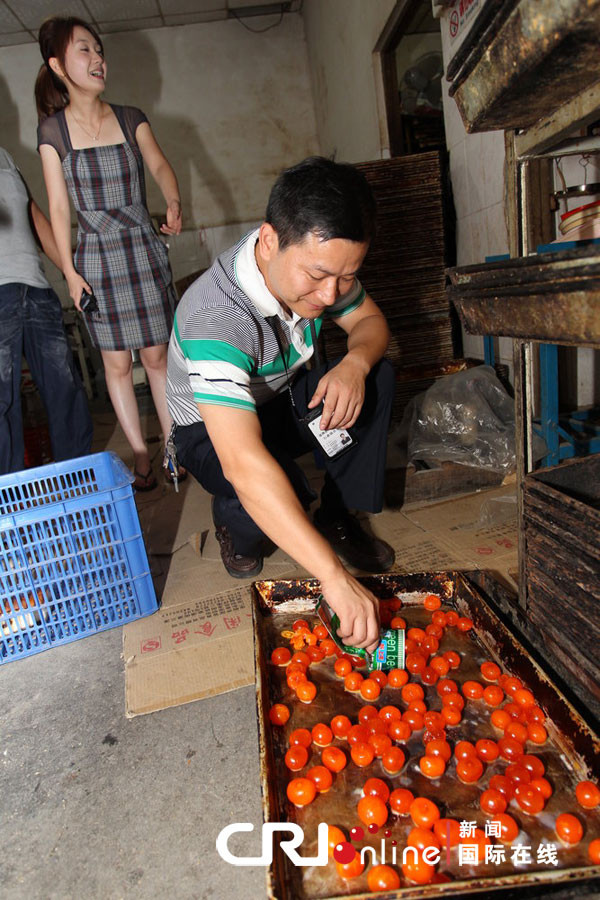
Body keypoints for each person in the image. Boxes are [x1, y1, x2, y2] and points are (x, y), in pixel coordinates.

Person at [166, 157, 396, 651]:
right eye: (318, 275)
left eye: (346, 276)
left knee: (377, 376)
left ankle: (339, 515)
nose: (330, 294)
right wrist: (332, 578)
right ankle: (233, 523)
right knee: (272, 494)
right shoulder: (216, 316)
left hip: (275, 400)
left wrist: (355, 364)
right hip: (209, 428)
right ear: (269, 241)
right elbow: (243, 461)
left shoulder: (325, 267)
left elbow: (371, 325)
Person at [35, 16, 185, 491]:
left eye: (99, 50)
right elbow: (59, 208)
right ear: (58, 65)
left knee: (157, 358)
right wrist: (69, 272)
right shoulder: (52, 133)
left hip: (142, 246)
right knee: (117, 365)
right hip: (96, 259)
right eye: (85, 50)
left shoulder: (129, 117)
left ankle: (174, 449)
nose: (98, 58)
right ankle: (141, 457)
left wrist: (173, 199)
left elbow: (159, 163)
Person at [0, 146, 92, 475]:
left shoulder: (5, 156)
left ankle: (78, 480)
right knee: (2, 403)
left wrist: (71, 273)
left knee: (65, 389)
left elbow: (35, 219)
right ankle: (7, 495)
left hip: (36, 290)